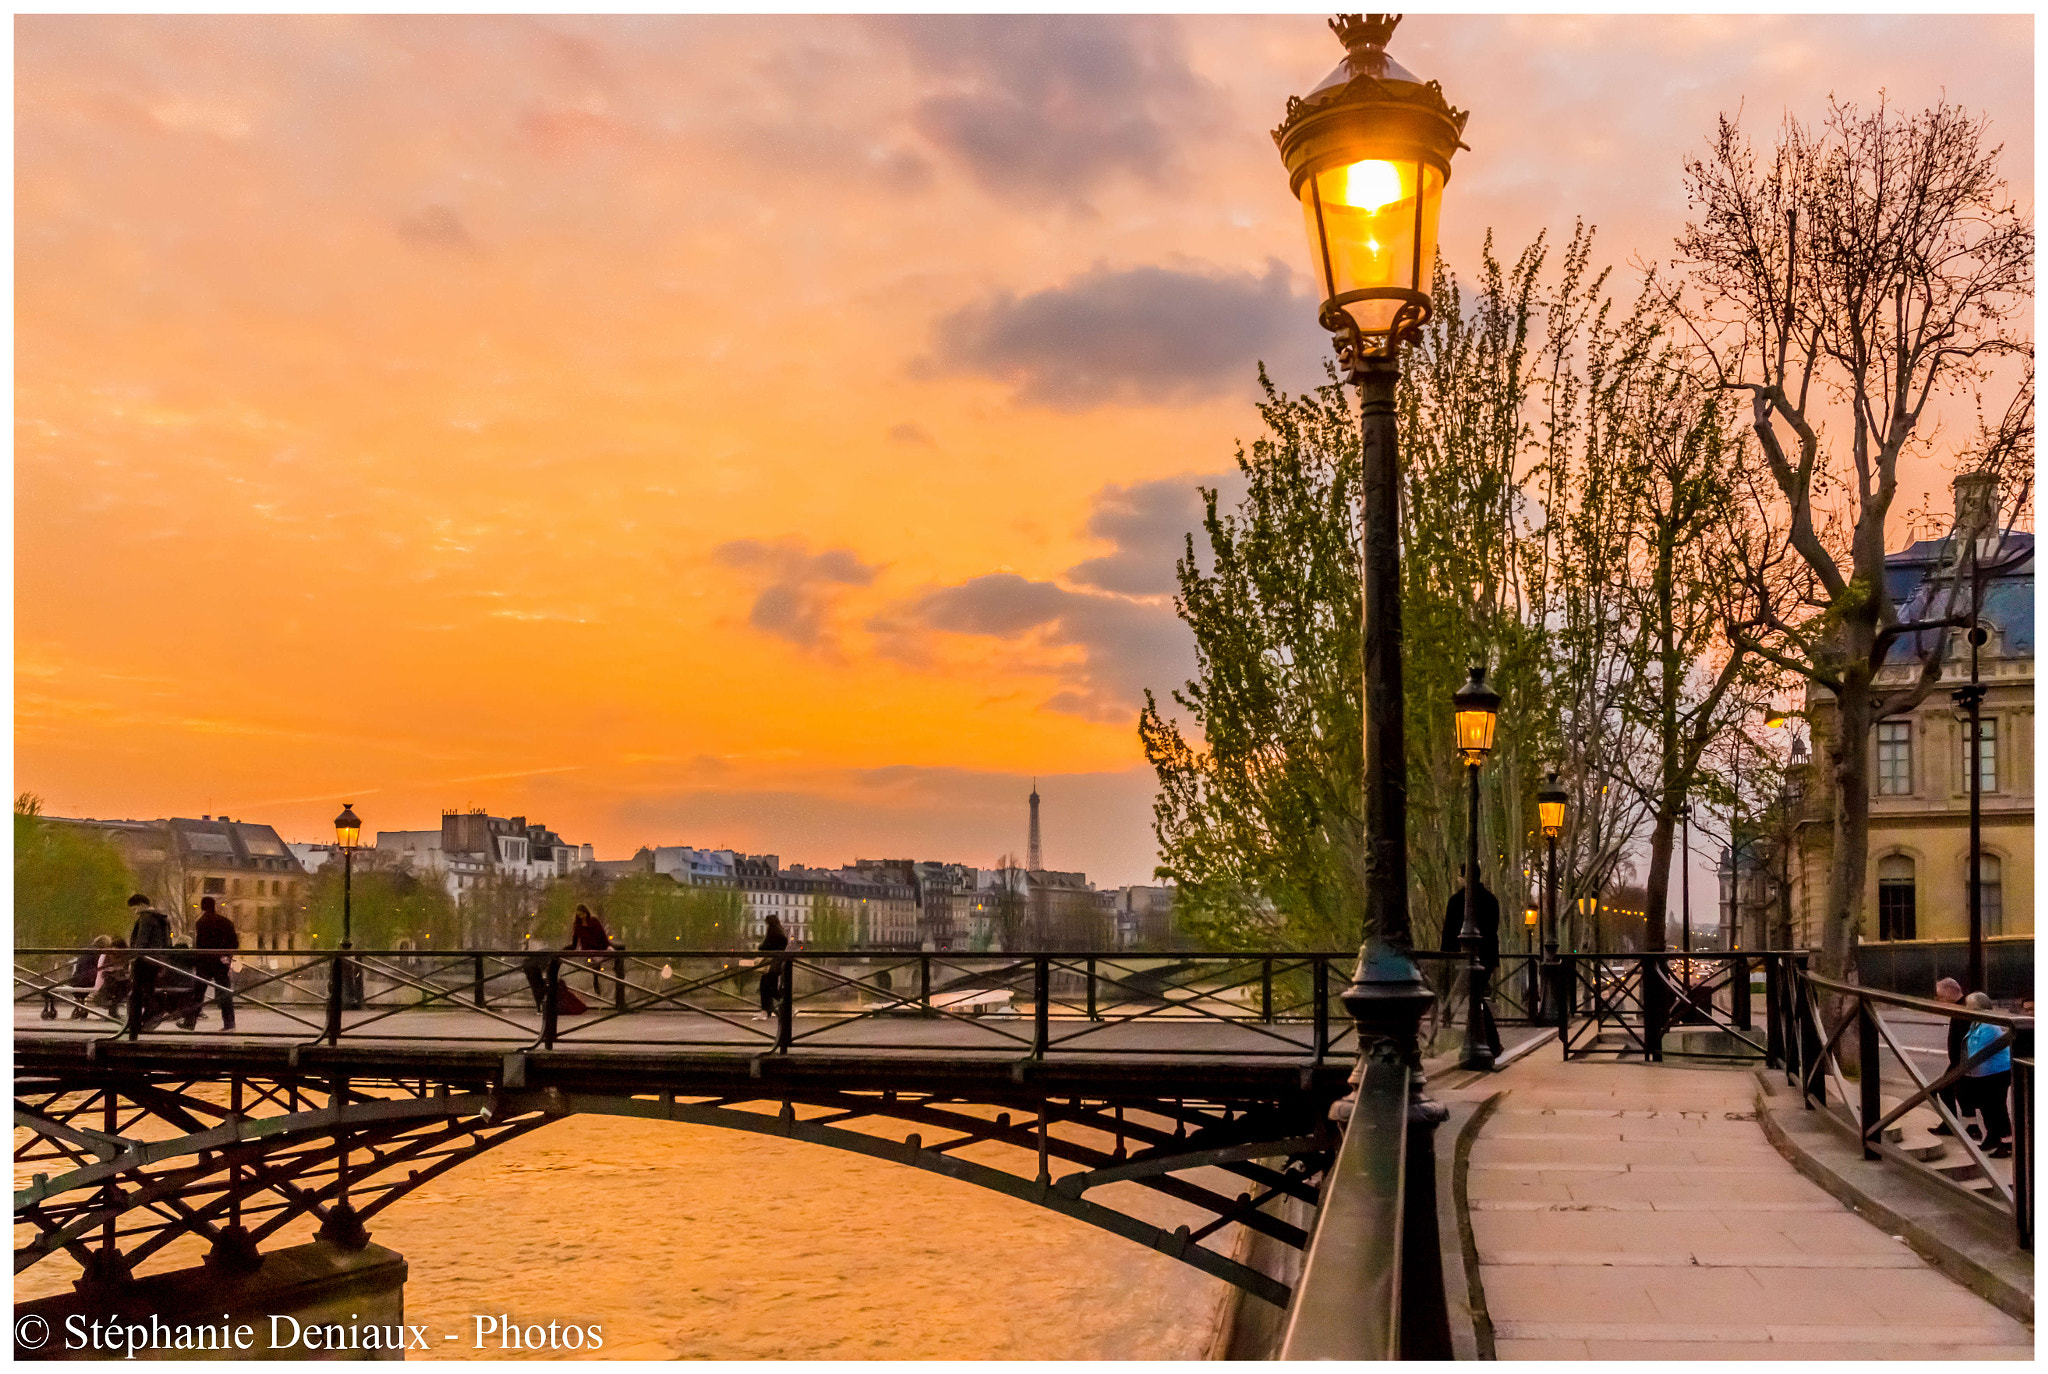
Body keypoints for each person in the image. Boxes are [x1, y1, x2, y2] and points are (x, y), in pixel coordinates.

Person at [1441, 867, 1503, 1059]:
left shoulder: (1457, 901)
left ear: (1463, 878)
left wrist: (1446, 958)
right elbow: (1494, 929)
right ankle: (1486, 1041)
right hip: (1488, 956)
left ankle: (1488, 1042)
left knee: (1475, 998)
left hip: (1464, 958)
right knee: (1477, 997)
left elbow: (1449, 932)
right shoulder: (1491, 899)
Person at [1962, 991, 2013, 1158]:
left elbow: (1978, 1052)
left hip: (1996, 1073)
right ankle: (1993, 1136)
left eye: (1968, 1005)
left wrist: (1962, 1069)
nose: (1965, 1008)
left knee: (1997, 1107)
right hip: (1982, 1074)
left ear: (1977, 1007)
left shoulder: (1988, 1026)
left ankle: (2007, 1143)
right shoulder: (1976, 1023)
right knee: (1986, 1107)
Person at [185, 896, 239, 1032]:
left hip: (205, 962)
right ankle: (229, 1023)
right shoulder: (226, 922)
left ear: (203, 907)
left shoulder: (201, 922)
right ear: (214, 905)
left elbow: (201, 944)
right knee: (224, 992)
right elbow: (234, 943)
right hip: (221, 962)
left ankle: (190, 1022)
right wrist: (226, 956)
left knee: (198, 994)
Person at [125, 893, 173, 1033]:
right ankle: (145, 1021)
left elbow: (141, 941)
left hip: (144, 961)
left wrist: (133, 956)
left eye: (133, 909)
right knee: (148, 990)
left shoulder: (145, 918)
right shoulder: (162, 918)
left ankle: (139, 1024)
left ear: (140, 905)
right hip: (157, 961)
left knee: (137, 993)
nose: (134, 912)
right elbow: (167, 942)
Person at [1930, 977, 1967, 1134]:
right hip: (1960, 1061)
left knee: (1942, 1090)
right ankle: (1952, 1125)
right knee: (1946, 1090)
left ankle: (1950, 1125)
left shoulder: (1963, 1009)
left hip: (1962, 1062)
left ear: (1952, 991)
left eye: (1942, 997)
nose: (1941, 1001)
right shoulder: (1960, 1007)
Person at [45, 935, 110, 1020]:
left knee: (85, 987)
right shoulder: (98, 953)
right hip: (86, 980)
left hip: (76, 979)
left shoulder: (88, 951)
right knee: (108, 984)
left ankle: (80, 1007)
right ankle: (82, 1007)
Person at [570, 903, 611, 997]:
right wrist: (566, 950)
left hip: (599, 946)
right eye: (579, 915)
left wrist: (608, 945)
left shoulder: (594, 921)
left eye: (582, 914)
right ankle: (596, 983)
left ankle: (617, 972)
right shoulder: (577, 926)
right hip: (588, 949)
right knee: (595, 962)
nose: (581, 917)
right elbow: (574, 943)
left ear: (586, 912)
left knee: (616, 953)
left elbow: (602, 934)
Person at [755, 913, 790, 1021]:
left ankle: (765, 1011)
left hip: (769, 965)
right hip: (777, 965)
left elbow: (763, 947)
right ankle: (783, 1008)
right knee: (773, 989)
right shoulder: (782, 935)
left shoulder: (772, 934)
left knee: (764, 988)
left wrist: (759, 947)